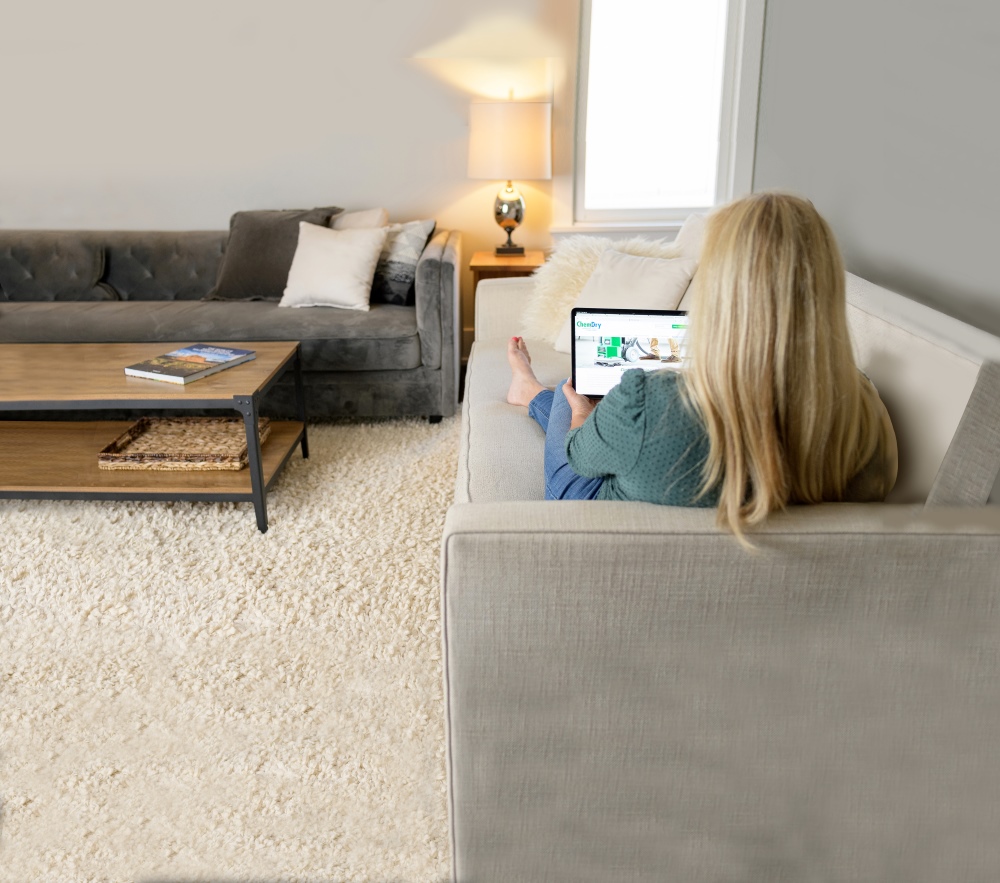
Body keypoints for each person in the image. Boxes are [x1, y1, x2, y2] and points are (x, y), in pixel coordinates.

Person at [506, 191, 898, 545]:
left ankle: (532, 391)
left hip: (613, 522)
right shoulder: (862, 409)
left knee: (569, 392)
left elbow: (579, 457)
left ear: (721, 288)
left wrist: (582, 414)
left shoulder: (650, 403)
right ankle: (533, 392)